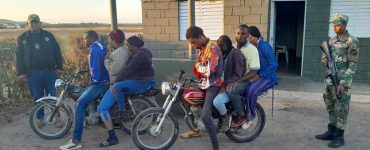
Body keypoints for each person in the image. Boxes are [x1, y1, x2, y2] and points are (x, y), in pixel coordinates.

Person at [97, 36, 156, 147]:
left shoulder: (139, 55)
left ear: (133, 46)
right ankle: (120, 109)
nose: (127, 47)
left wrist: (114, 83)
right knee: (119, 86)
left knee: (117, 88)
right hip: (145, 80)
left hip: (143, 82)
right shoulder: (141, 53)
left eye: (128, 45)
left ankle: (122, 111)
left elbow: (127, 71)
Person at [60, 30, 110, 150]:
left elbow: (97, 68)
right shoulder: (101, 45)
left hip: (100, 83)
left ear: (90, 38)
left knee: (79, 105)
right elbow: (99, 65)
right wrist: (88, 73)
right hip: (105, 80)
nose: (84, 41)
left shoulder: (94, 49)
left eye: (85, 39)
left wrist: (92, 81)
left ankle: (76, 141)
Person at [315, 14, 359, 148]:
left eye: (337, 24)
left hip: (341, 82)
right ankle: (331, 131)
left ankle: (339, 136)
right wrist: (324, 58)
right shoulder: (332, 40)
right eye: (333, 25)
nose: (335, 27)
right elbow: (325, 54)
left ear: (345, 25)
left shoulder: (352, 41)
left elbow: (353, 65)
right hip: (330, 80)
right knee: (330, 106)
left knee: (341, 108)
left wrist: (342, 82)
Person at [181, 26, 223, 150]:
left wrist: (200, 68)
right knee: (188, 95)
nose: (193, 45)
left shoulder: (213, 48)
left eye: (193, 42)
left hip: (214, 85)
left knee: (205, 116)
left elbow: (210, 70)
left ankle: (215, 146)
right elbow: (196, 67)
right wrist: (200, 68)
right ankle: (198, 128)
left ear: (200, 37)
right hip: (205, 82)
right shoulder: (201, 48)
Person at [15, 14, 63, 122]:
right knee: (37, 97)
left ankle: (56, 117)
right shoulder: (22, 38)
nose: (34, 24)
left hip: (49, 71)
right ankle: (40, 119)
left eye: (36, 22)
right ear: (28, 24)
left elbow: (57, 51)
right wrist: (20, 73)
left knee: (53, 96)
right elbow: (18, 57)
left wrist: (59, 66)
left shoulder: (48, 35)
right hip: (33, 74)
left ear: (40, 23)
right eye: (32, 22)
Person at [226, 24, 261, 127]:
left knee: (232, 91)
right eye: (238, 33)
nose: (240, 36)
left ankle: (241, 116)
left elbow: (254, 72)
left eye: (243, 34)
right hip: (232, 78)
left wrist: (238, 81)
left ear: (247, 36)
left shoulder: (252, 50)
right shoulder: (232, 47)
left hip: (245, 80)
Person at [245, 26, 278, 125]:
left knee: (252, 90)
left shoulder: (264, 46)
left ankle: (250, 116)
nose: (247, 39)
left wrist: (259, 76)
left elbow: (274, 64)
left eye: (249, 37)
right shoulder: (253, 46)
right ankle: (244, 112)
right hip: (258, 75)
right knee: (242, 87)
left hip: (268, 77)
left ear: (254, 37)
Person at [212, 35, 245, 132]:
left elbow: (238, 74)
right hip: (220, 84)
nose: (220, 48)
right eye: (219, 46)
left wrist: (224, 85)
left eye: (222, 45)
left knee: (217, 101)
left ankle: (226, 117)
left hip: (231, 85)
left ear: (228, 44)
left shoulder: (236, 54)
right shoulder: (223, 54)